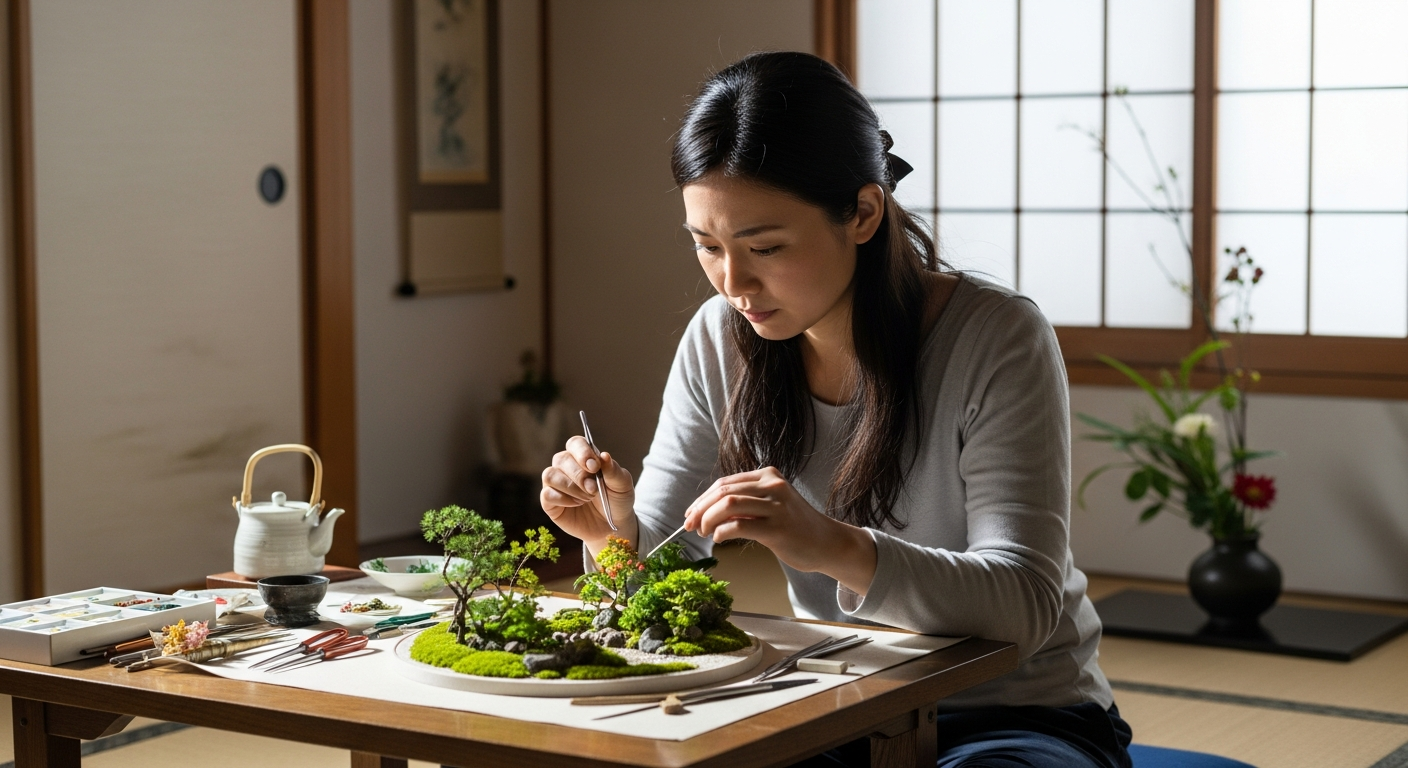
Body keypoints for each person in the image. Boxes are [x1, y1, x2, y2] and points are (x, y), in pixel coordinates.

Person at [538, 51, 1132, 768]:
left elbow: (1025, 604)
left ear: (862, 212)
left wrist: (831, 544)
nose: (734, 282)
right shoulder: (719, 339)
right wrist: (607, 535)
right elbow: (650, 577)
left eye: (765, 247)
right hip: (837, 702)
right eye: (707, 246)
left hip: (1017, 713)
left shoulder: (996, 335)